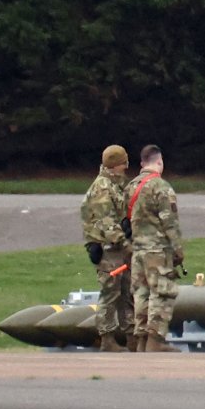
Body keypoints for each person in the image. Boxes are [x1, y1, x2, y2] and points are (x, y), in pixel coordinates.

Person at [124, 144, 184, 353]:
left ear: (142, 163)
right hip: (157, 250)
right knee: (162, 293)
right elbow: (170, 222)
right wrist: (178, 249)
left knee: (141, 294)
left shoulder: (130, 187)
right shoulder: (161, 187)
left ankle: (141, 340)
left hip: (137, 250)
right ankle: (155, 340)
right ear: (159, 162)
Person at [80, 145, 135, 352]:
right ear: (117, 164)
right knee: (110, 294)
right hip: (109, 250)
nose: (126, 167)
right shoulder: (103, 187)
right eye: (124, 163)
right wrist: (125, 243)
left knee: (126, 292)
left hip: (116, 248)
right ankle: (107, 338)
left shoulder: (115, 185)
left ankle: (131, 336)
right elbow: (106, 222)